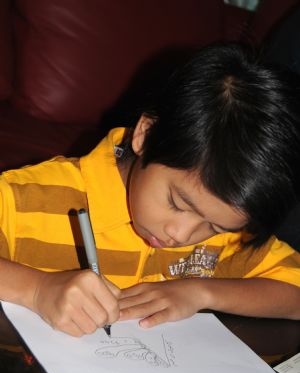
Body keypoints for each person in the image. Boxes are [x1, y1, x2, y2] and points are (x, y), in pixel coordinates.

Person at [0, 43, 299, 337]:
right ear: (145, 134)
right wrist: (37, 289)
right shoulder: (27, 197)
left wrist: (201, 292)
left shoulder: (230, 232)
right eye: (178, 203)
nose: (181, 235)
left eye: (214, 226)